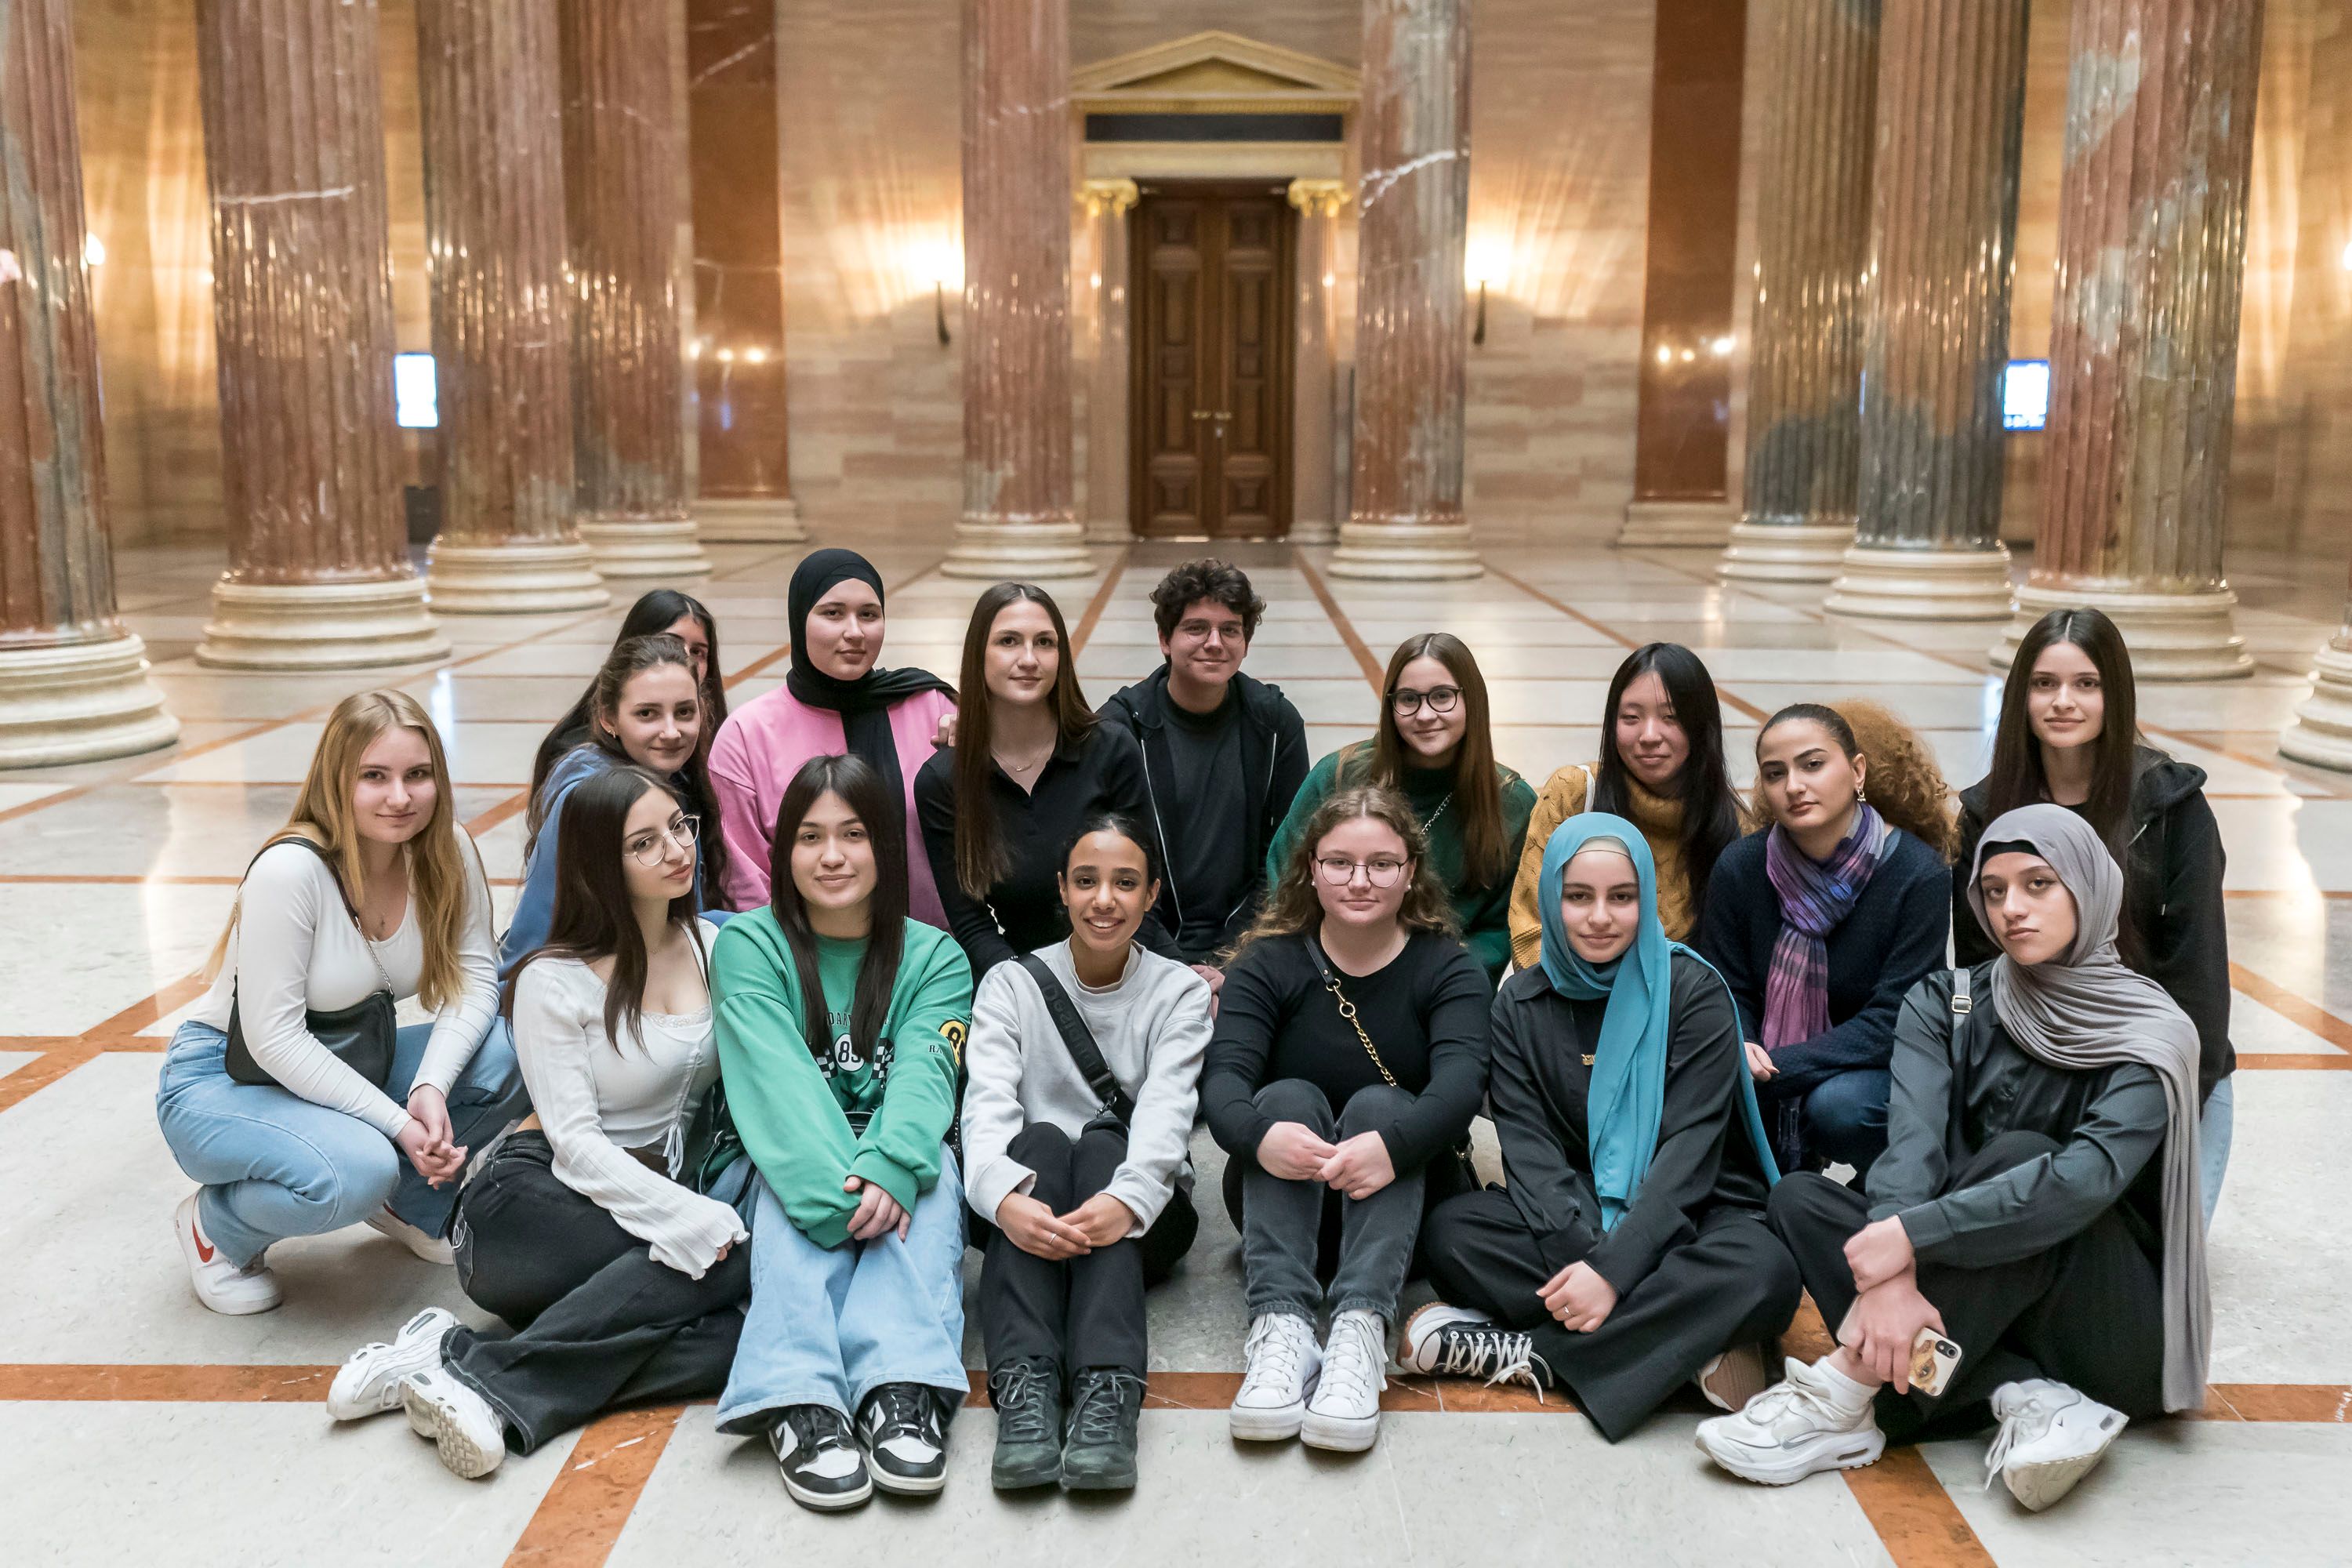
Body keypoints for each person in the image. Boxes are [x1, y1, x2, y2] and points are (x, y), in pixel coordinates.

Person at [1697, 807, 2210, 1514]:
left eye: (2037, 884)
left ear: (2089, 891)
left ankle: (1849, 1391)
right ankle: (2016, 1391)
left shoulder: (2150, 1033)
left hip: (2099, 1321)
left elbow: (2080, 1182)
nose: (2011, 910)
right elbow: (1911, 1146)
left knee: (2021, 1158)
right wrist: (1894, 1274)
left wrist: (1909, 1239)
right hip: (1965, 1300)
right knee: (1799, 1200)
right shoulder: (1949, 1000)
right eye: (1993, 891)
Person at [325, 765, 750, 1479]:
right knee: (721, 1265)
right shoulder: (555, 979)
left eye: (679, 827)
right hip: (527, 1207)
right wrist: (688, 1214)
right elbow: (577, 1148)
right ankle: (493, 1379)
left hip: (636, 1210)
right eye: (644, 843)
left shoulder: (713, 947)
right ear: (599, 865)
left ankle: (460, 1362)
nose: (677, 850)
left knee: (741, 1338)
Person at [1401, 817, 1798, 1440]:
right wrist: (1586, 1259)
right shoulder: (1519, 1004)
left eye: (1622, 897)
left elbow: (1689, 1157)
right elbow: (1528, 1151)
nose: (1600, 917)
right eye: (1578, 896)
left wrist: (1613, 1273)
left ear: (1646, 898)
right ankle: (1692, 1345)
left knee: (1767, 1273)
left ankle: (1536, 1354)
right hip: (1574, 1206)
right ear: (1551, 901)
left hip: (1692, 1208)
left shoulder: (1693, 992)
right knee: (1454, 1233)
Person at [156, 691, 523, 1313]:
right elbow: (273, 1041)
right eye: (374, 777)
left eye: (418, 775)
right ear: (337, 782)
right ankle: (215, 1229)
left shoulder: (446, 850)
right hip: (225, 1078)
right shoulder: (290, 873)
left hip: (352, 1060)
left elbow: (476, 977)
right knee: (356, 1170)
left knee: (517, 1048)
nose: (400, 797)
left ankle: (409, 1204)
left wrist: (430, 1087)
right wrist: (401, 1124)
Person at [710, 754, 976, 1512]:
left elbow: (928, 1078)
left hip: (891, 1145)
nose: (832, 856)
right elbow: (778, 1089)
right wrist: (843, 1202)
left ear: (885, 848)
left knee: (932, 1176)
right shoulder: (750, 946)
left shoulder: (936, 956)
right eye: (810, 837)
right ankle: (803, 1402)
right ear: (783, 851)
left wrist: (893, 1164)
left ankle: (900, 1390)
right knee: (784, 1195)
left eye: (854, 834)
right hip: (776, 1150)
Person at [1207, 786, 1490, 1453]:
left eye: (1382, 864)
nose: (1360, 880)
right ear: (1310, 868)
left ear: (1411, 872)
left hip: (1403, 1212)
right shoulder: (1267, 962)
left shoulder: (1448, 968)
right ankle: (1283, 1331)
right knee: (1284, 1097)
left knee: (1382, 1106)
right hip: (1282, 1196)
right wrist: (1261, 1136)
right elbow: (1223, 1086)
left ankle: (1362, 1329)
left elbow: (1460, 1089)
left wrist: (1391, 1147)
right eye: (1340, 862)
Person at [1956, 608, 2233, 1222]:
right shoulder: (1985, 813)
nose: (2063, 701)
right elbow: (1973, 973)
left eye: (2086, 684)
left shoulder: (2172, 806)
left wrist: (2173, 1100)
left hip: (2157, 1063)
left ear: (2115, 694)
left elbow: (2200, 980)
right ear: (2021, 695)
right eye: (2044, 684)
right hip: (2034, 1059)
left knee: (2142, 1256)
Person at [962, 815, 1212, 1492]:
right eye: (1087, 882)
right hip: (1030, 1215)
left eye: (1125, 883)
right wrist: (1006, 1199)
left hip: (1140, 1217)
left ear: (1151, 894)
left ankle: (1108, 1394)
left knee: (1105, 1143)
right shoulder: (1011, 986)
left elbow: (1165, 1118)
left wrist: (1124, 1200)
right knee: (1038, 1142)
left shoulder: (1180, 992)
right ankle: (1027, 1395)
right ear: (1063, 892)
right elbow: (985, 1106)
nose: (1105, 899)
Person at [1696, 702, 1953, 1176]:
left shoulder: (1917, 875)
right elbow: (1726, 986)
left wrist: (1776, 1066)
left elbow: (1896, 1018)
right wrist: (1744, 1044)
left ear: (1857, 771)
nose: (1794, 786)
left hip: (1876, 1069)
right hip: (1770, 1062)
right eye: (1775, 774)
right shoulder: (1741, 868)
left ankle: (1886, 1196)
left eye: (1812, 765)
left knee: (1837, 1106)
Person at [916, 582, 1178, 978]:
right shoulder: (943, 781)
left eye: (1044, 643)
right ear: (978, 655)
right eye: (1008, 641)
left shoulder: (1110, 750)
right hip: (1020, 976)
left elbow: (1146, 891)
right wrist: (1031, 992)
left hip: (1128, 964)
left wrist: (1170, 978)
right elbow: (972, 925)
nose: (1029, 659)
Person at [1266, 633, 1534, 985]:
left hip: (1442, 981)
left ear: (1473, 700)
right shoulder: (1339, 775)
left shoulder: (1511, 801)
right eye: (1408, 699)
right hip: (1333, 970)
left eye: (1442, 697)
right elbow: (1286, 876)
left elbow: (1503, 924)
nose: (1425, 715)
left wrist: (1446, 974)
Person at [709, 547, 957, 922]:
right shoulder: (747, 736)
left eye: (869, 615)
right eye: (833, 613)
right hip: (802, 960)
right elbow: (746, 881)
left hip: (930, 953)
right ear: (799, 619)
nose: (854, 632)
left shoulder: (932, 708)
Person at [1098, 560, 1309, 988]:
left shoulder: (1275, 724)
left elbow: (1286, 855)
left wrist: (1235, 960)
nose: (1214, 643)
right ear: (1164, 639)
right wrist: (1173, 967)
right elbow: (1112, 860)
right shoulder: (1120, 729)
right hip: (1140, 944)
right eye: (1196, 628)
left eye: (1230, 630)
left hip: (1253, 942)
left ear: (1245, 643)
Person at [501, 633, 731, 976]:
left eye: (684, 712)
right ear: (609, 719)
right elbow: (551, 940)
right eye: (647, 714)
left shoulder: (672, 781)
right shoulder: (590, 799)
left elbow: (676, 922)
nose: (671, 732)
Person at [1509, 642, 1745, 964]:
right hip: (1571, 1002)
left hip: (1679, 1008)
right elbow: (1529, 928)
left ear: (1701, 726)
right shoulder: (1574, 794)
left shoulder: (1733, 825)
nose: (1649, 735)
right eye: (1631, 717)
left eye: (1671, 717)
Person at [529, 589, 728, 795]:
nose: (684, 659)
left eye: (697, 652)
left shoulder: (706, 733)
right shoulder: (582, 765)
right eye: (669, 644)